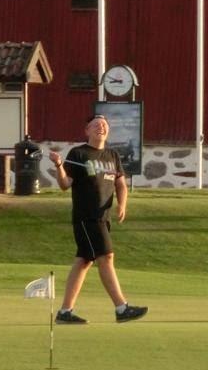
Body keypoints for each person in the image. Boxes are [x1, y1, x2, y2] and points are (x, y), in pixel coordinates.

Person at [48, 114, 148, 324]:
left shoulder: (112, 155)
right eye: (95, 125)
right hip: (87, 217)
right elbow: (65, 184)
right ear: (87, 130)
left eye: (104, 125)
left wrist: (122, 204)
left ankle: (65, 313)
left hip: (104, 216)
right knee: (106, 256)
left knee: (84, 261)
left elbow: (120, 184)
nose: (100, 127)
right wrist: (58, 165)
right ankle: (121, 308)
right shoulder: (79, 153)